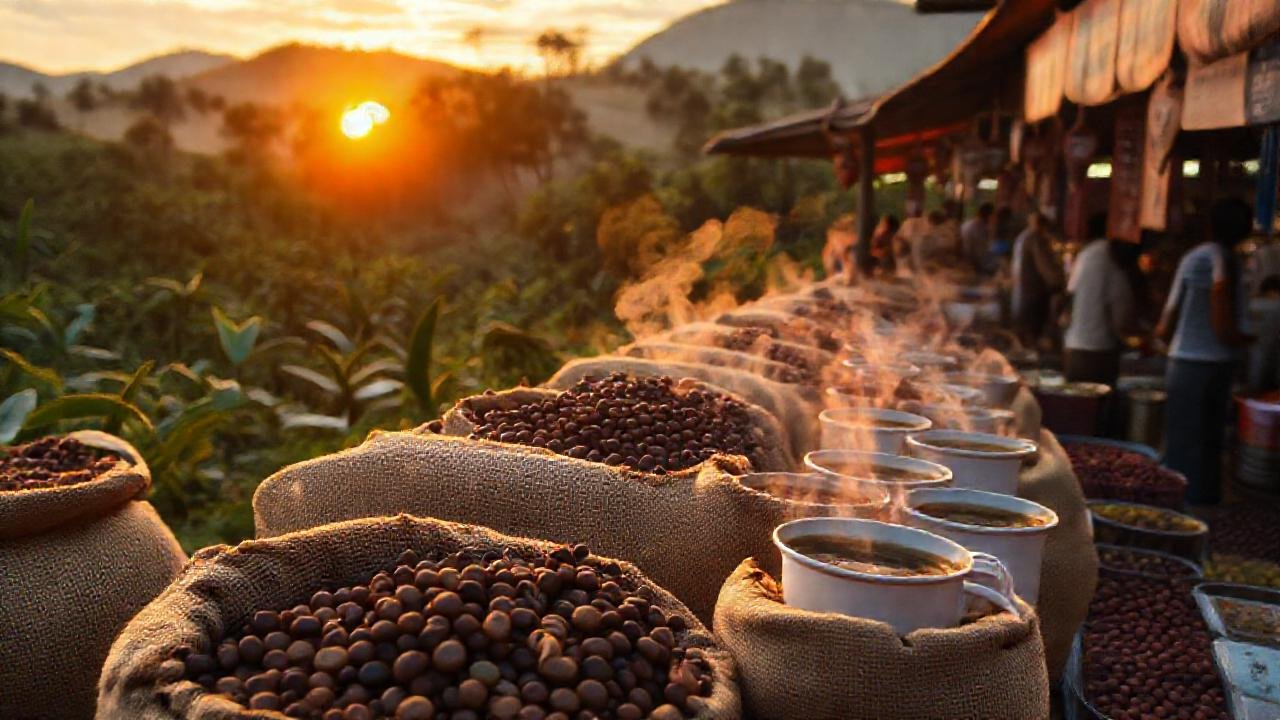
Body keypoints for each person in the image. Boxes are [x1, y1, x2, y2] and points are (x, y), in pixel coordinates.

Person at [1156, 197, 1256, 505]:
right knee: (1199, 445)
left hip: (1188, 362)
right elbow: (1222, 324)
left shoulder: (1195, 257)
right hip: (1201, 364)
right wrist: (1246, 340)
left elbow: (1166, 321)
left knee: (1188, 443)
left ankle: (1183, 507)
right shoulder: (1219, 259)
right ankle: (1190, 510)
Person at [1063, 212, 1136, 386]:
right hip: (1099, 354)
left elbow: (1070, 294)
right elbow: (1121, 318)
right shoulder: (1112, 257)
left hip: (1074, 349)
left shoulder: (1085, 254)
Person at [1012, 211, 1065, 348]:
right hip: (1033, 295)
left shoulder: (1023, 237)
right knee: (1031, 338)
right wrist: (1059, 283)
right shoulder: (1035, 238)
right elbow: (1046, 267)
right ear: (1044, 226)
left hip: (1022, 293)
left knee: (1024, 337)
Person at [961, 203, 995, 274]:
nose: (993, 219)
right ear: (989, 215)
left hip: (968, 262)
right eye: (993, 216)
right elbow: (979, 252)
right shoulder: (978, 227)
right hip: (971, 265)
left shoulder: (968, 224)